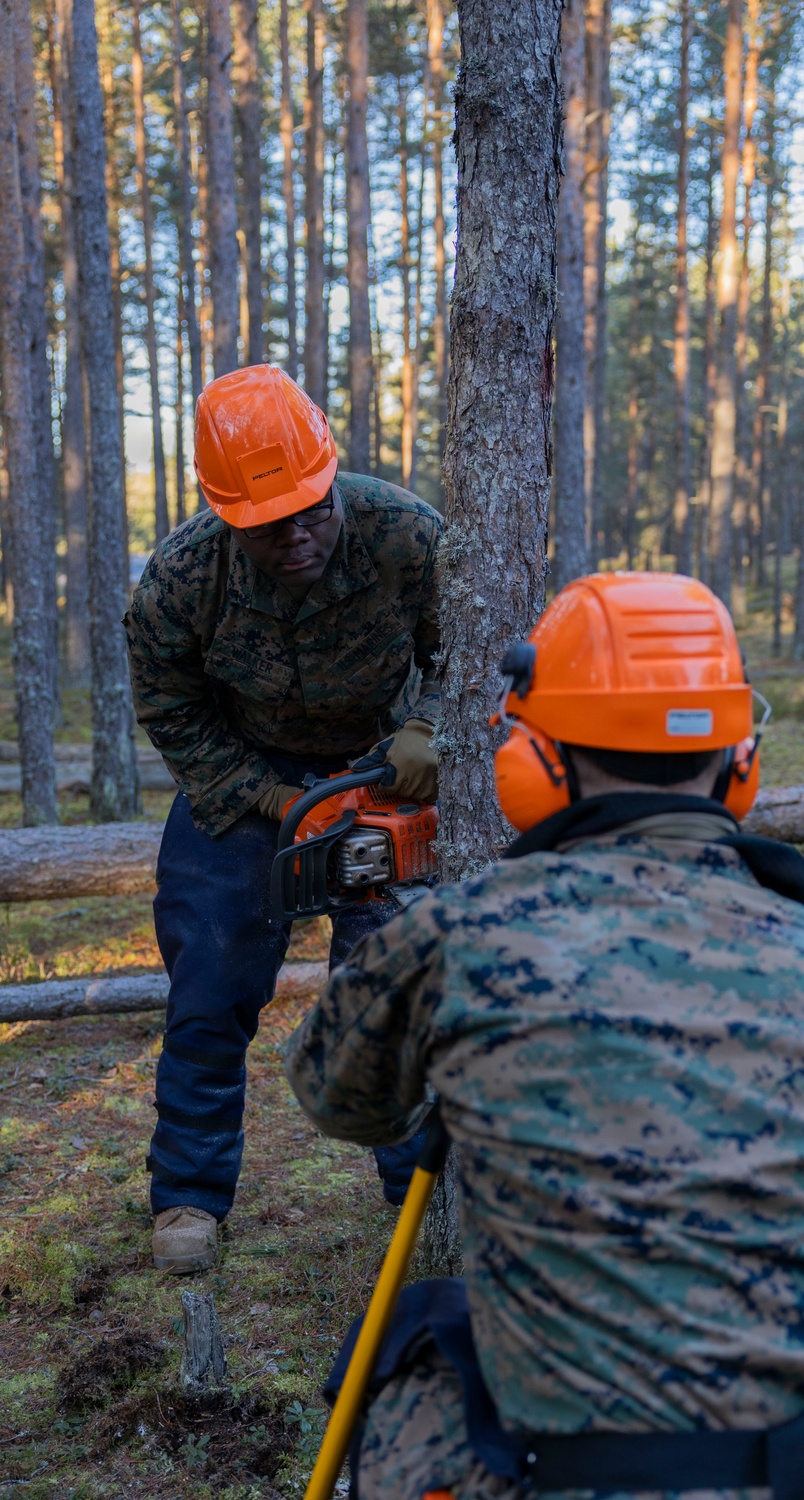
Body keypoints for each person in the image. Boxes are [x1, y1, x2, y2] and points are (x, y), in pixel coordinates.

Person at [285, 572, 804, 1500]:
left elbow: (335, 1100)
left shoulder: (459, 939)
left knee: (412, 1355)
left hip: (596, 1477)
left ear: (536, 765)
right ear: (738, 760)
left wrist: (377, 947)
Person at [125, 364, 441, 1274]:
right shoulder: (182, 579)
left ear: (332, 476)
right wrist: (273, 801)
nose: (297, 534)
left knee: (398, 978)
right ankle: (187, 1193)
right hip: (247, 780)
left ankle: (418, 1187)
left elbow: (482, 643)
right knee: (211, 980)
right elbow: (170, 707)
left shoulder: (406, 535)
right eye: (269, 527)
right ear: (227, 514)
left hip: (385, 770)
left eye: (312, 511)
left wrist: (433, 727)